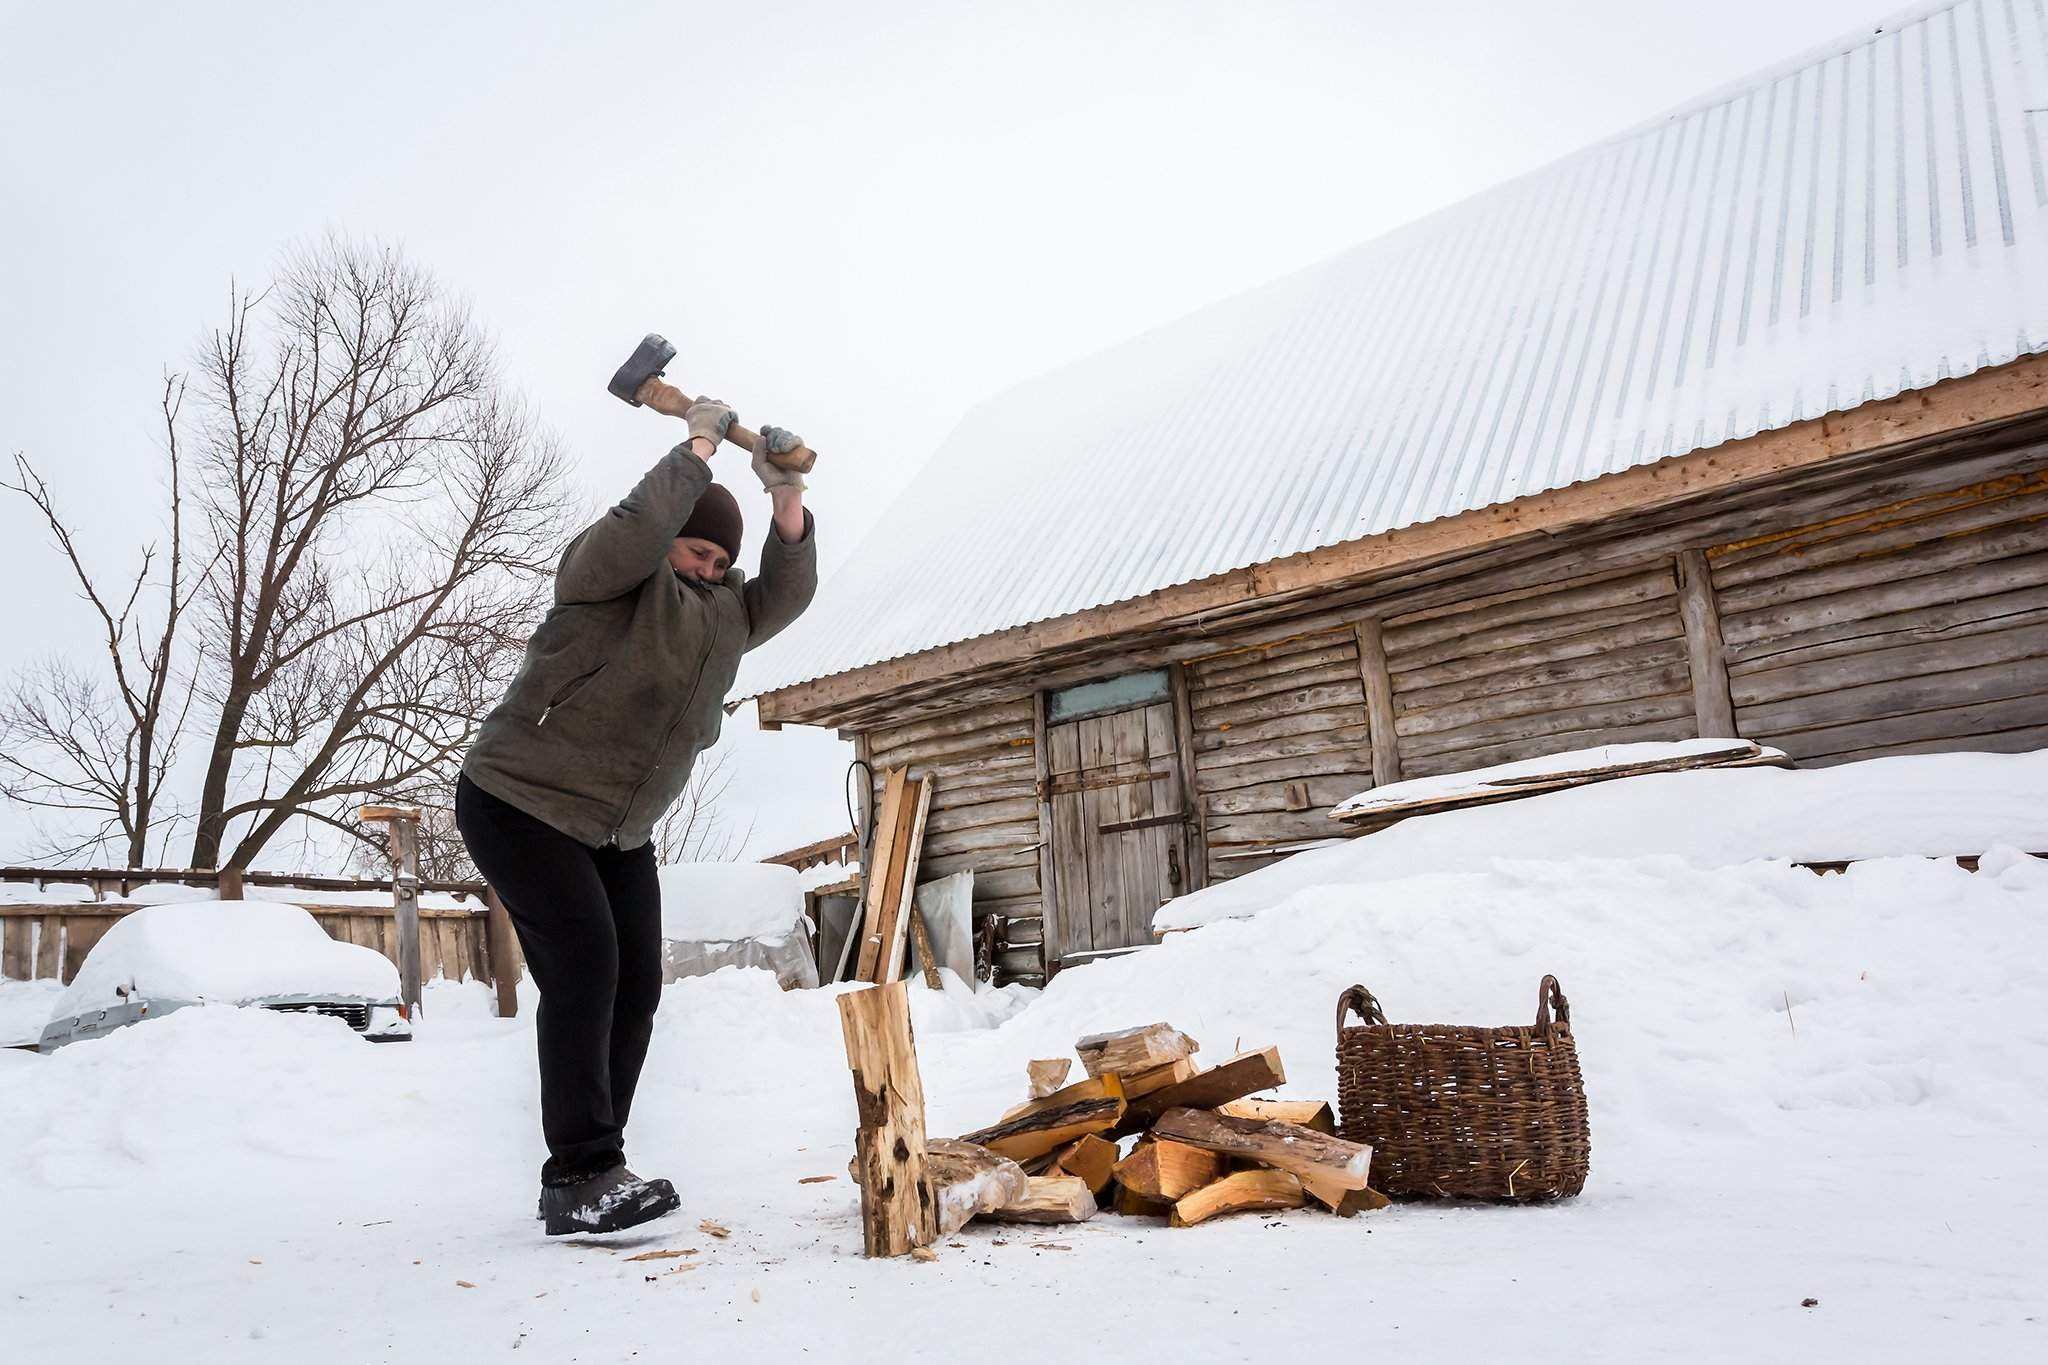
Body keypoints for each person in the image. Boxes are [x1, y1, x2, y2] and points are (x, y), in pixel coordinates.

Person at [455, 396, 817, 1235]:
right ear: (668, 542)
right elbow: (634, 527)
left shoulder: (728, 612)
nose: (706, 566)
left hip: (618, 829)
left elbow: (786, 594)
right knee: (583, 964)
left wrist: (784, 497)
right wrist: (697, 444)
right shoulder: (611, 576)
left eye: (721, 558)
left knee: (637, 983)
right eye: (695, 548)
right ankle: (582, 1167)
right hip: (520, 798)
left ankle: (593, 1168)